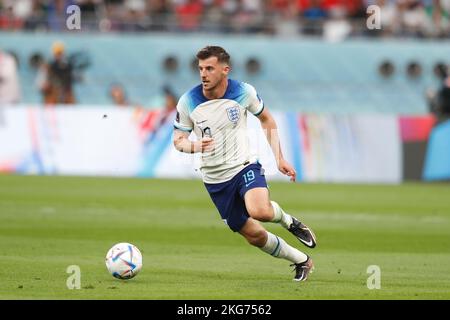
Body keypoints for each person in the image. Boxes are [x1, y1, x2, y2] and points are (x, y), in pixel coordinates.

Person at [173, 46, 317, 282]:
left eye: (209, 68)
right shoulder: (188, 101)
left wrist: (279, 158)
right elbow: (178, 141)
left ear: (225, 70)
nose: (203, 74)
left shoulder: (243, 91)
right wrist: (194, 146)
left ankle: (290, 222)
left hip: (244, 165)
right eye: (200, 69)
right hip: (215, 179)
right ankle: (301, 260)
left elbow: (266, 118)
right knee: (254, 236)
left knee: (259, 210)